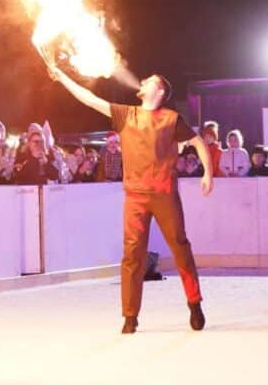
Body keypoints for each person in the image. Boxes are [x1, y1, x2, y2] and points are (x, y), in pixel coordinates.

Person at [49, 65, 211, 334]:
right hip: (135, 198)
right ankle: (130, 316)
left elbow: (198, 143)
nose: (143, 81)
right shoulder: (126, 114)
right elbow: (90, 100)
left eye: (149, 80)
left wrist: (208, 173)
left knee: (180, 248)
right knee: (132, 256)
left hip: (164, 195)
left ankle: (194, 303)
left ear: (158, 91)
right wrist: (62, 77)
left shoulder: (171, 119)